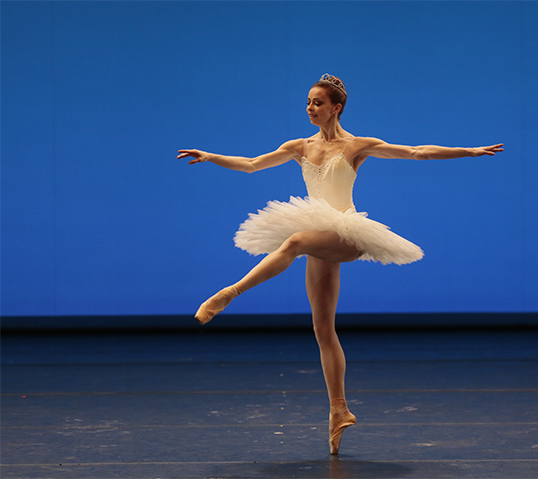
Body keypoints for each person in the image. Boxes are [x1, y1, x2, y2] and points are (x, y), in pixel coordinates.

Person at [178, 74, 503, 455]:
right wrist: (211, 156)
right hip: (319, 233)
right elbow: (251, 164)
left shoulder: (357, 145)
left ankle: (227, 294)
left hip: (347, 232)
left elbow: (416, 152)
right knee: (322, 328)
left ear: (337, 108)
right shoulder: (299, 146)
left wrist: (467, 151)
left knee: (295, 242)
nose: (310, 108)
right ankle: (338, 410)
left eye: (318, 102)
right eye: (308, 102)